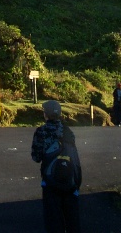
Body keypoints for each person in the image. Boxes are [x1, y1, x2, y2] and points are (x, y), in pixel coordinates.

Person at [31, 100, 81, 233]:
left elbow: (36, 157)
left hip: (50, 179)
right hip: (69, 179)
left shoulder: (41, 131)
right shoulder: (68, 131)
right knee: (72, 219)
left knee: (53, 219)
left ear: (46, 114)